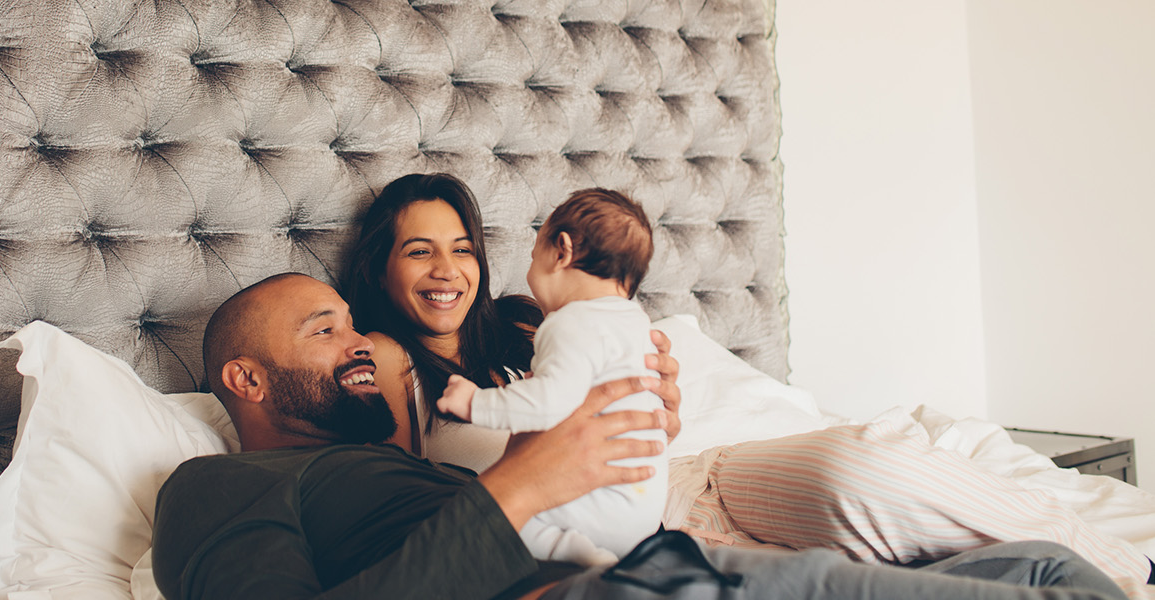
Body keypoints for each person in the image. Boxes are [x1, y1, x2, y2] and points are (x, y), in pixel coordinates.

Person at [342, 173, 1154, 597]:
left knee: (869, 469)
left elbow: (646, 408)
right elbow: (397, 497)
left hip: (699, 471)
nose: (448, 269)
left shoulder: (532, 321)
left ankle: (1125, 569)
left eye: (461, 248)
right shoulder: (387, 360)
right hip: (626, 542)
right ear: (382, 266)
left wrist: (661, 401)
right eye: (419, 250)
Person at [150, 272, 1128, 600]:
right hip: (633, 589)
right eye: (326, 331)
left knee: (1040, 564)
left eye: (356, 325)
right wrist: (521, 489)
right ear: (245, 377)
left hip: (650, 556)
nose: (360, 342)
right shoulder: (211, 490)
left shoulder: (390, 467)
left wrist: (627, 418)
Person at [436, 188, 666, 565]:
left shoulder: (570, 322)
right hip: (644, 504)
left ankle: (586, 561)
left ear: (562, 251)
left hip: (599, 502)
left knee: (507, 525)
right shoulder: (636, 325)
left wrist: (476, 402)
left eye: (533, 257)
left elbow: (546, 406)